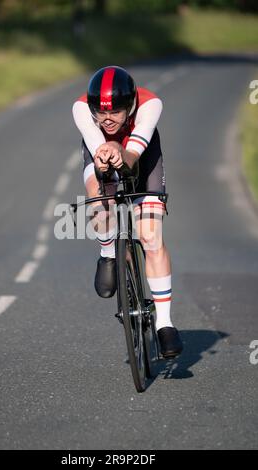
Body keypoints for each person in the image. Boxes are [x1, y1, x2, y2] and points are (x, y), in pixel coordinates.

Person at [72, 66, 183, 358]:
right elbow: (100, 154)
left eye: (116, 113)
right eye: (101, 113)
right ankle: (108, 250)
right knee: (100, 198)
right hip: (101, 156)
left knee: (150, 236)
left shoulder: (150, 105)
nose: (107, 120)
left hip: (142, 156)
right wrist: (106, 157)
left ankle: (165, 324)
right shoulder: (82, 108)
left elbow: (132, 157)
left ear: (130, 104)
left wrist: (122, 154)